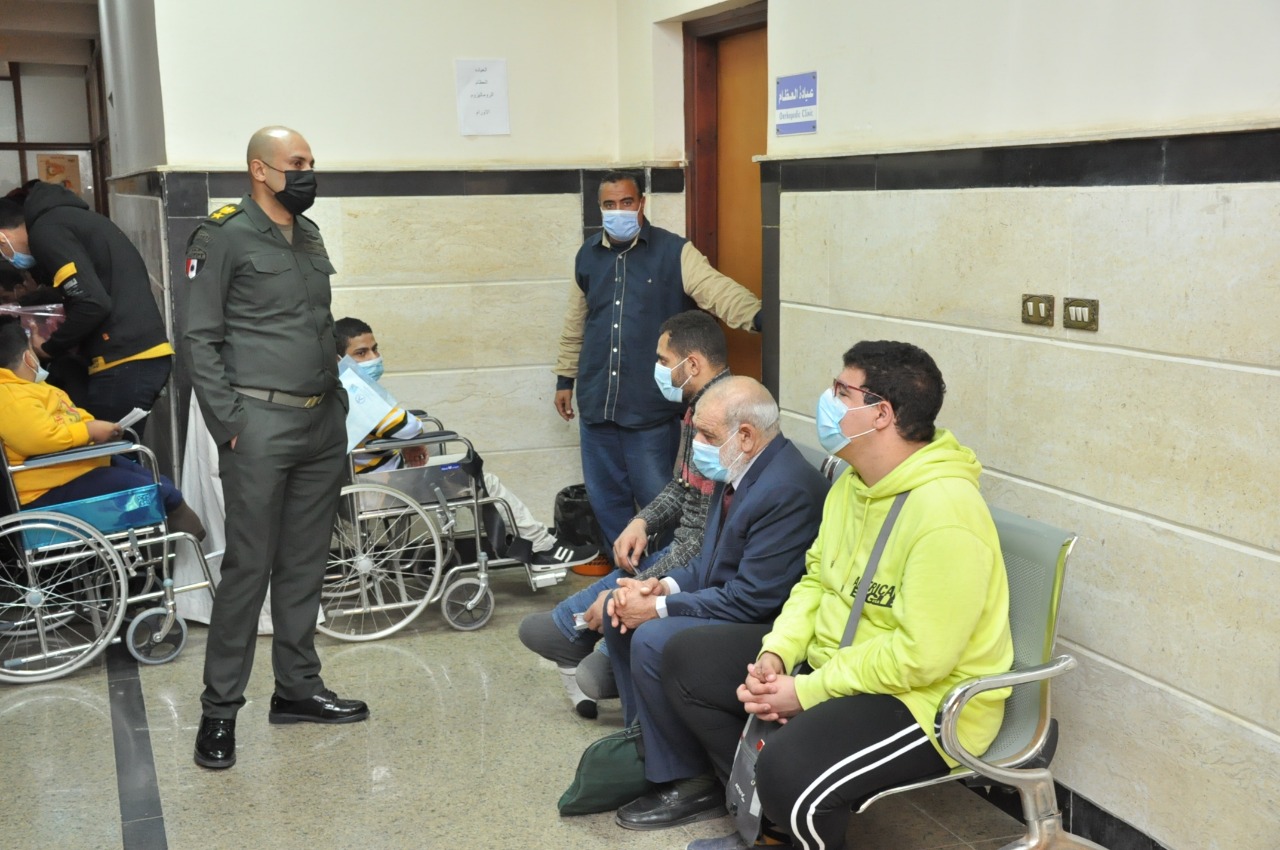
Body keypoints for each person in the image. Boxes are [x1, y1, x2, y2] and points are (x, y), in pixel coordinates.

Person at [667, 341, 1015, 850]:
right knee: (686, 659)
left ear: (881, 414)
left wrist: (807, 692)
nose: (826, 401)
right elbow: (816, 581)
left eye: (840, 391)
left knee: (788, 769)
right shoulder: (854, 484)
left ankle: (788, 811)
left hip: (926, 703)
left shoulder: (946, 513)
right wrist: (777, 653)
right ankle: (768, 827)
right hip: (842, 664)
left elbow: (922, 657)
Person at [182, 126, 365, 771]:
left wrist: (338, 403)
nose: (308, 172)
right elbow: (198, 337)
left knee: (306, 563)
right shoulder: (223, 236)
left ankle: (297, 688)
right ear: (260, 169)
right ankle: (219, 711)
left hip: (320, 423)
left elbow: (315, 323)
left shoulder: (308, 233)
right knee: (249, 568)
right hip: (258, 424)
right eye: (297, 163)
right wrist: (229, 422)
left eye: (312, 161)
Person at [600, 376, 829, 831]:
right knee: (619, 613)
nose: (696, 448)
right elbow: (708, 566)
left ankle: (691, 780)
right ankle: (651, 749)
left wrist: (659, 610)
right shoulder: (739, 471)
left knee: (653, 636)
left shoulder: (785, 490)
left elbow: (751, 599)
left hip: (769, 627)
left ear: (745, 436)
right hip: (734, 606)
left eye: (706, 435)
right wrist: (659, 588)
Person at [519, 309, 730, 718]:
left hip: (700, 573)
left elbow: (700, 544)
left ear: (692, 365)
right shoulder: (698, 408)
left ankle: (576, 632)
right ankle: (574, 631)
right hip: (686, 559)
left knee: (595, 672)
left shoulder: (721, 417)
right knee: (632, 568)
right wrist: (642, 521)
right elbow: (682, 486)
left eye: (663, 360)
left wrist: (630, 591)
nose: (658, 369)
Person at [553, 171, 762, 551]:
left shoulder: (674, 251)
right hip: (597, 404)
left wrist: (761, 317)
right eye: (609, 204)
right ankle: (623, 575)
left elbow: (716, 290)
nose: (618, 210)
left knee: (660, 505)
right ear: (600, 208)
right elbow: (575, 322)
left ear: (642, 203)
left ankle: (663, 577)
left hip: (649, 411)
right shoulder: (588, 255)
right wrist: (565, 378)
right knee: (607, 503)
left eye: (626, 202)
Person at [334, 316, 597, 568]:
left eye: (375, 349)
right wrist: (413, 438)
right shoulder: (356, 394)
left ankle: (523, 543)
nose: (373, 358)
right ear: (339, 359)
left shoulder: (338, 391)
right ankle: (541, 547)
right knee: (482, 479)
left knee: (472, 474)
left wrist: (410, 438)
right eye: (361, 353)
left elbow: (396, 426)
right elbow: (408, 425)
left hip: (375, 479)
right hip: (380, 489)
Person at [0, 318, 203, 539]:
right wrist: (89, 431)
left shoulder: (36, 389)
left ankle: (188, 534)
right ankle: (189, 541)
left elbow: (75, 416)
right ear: (27, 357)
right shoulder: (8, 395)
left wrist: (99, 431)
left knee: (157, 482)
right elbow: (38, 437)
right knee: (147, 491)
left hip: (74, 469)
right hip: (48, 487)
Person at [0, 183, 172, 439]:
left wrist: (48, 348)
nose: (7, 257)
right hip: (136, 354)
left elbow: (92, 303)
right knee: (117, 451)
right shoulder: (65, 219)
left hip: (124, 358)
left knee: (106, 455)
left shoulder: (46, 231)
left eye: (1, 251)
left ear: (2, 237)